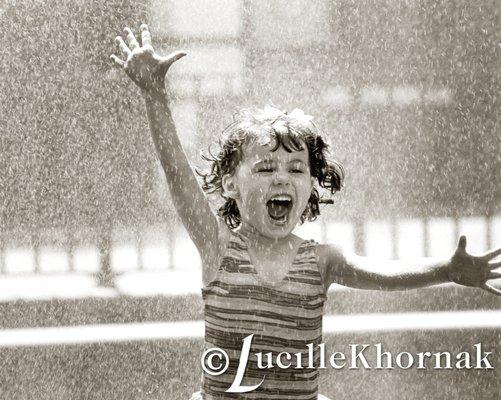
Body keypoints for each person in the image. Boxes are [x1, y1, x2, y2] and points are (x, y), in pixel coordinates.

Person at [111, 24, 501, 400]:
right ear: (231, 184)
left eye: (296, 169)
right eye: (265, 168)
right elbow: (177, 173)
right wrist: (154, 95)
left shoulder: (321, 261)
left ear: (312, 185)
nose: (282, 177)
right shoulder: (218, 247)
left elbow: (384, 276)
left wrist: (446, 271)